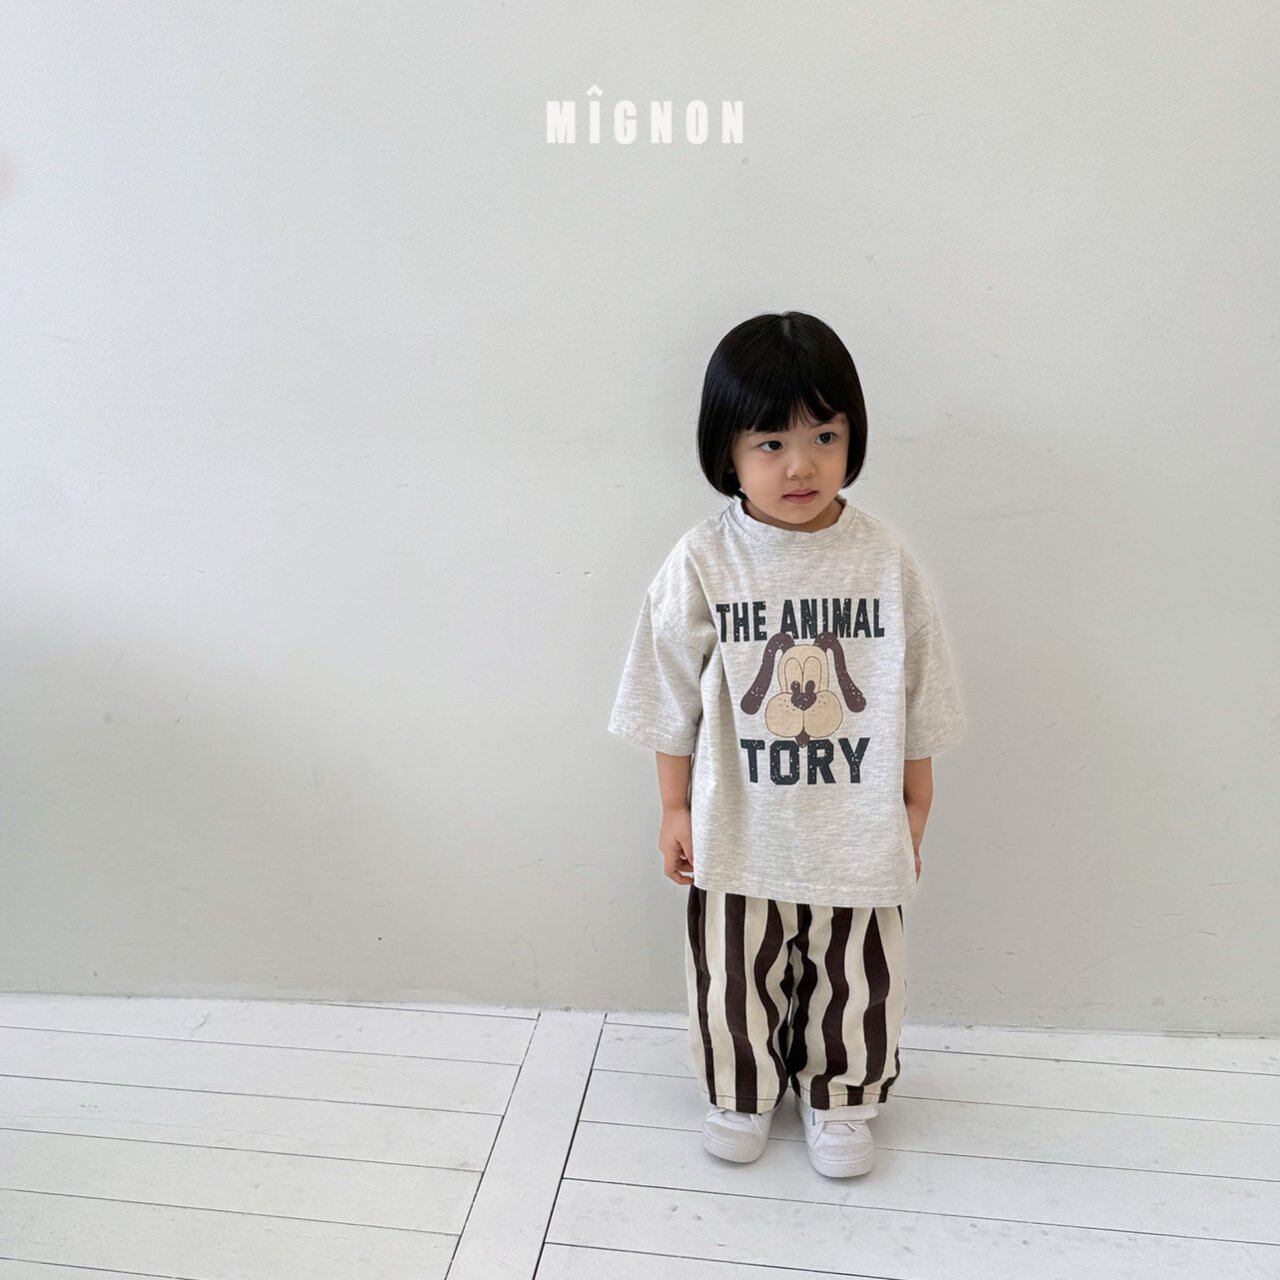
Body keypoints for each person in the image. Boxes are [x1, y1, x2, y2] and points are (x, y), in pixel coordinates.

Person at [606, 311, 967, 1179]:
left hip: (858, 822)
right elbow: (667, 690)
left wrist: (916, 802)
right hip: (740, 824)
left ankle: (842, 1100)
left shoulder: (883, 560)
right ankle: (741, 1092)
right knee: (735, 973)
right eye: (770, 442)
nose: (800, 465)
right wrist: (671, 807)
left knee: (859, 977)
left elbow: (918, 684)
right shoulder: (706, 560)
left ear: (852, 437)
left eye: (823, 436)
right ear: (726, 451)